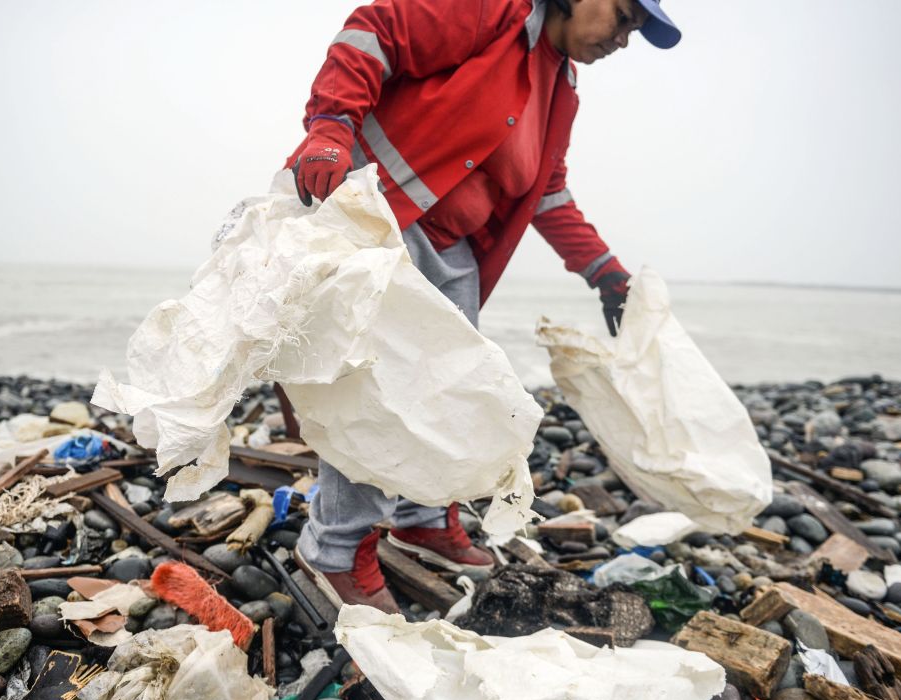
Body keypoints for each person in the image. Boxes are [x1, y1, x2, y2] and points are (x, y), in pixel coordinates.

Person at [285, 0, 681, 612]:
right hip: (380, 217)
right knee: (373, 396)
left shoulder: (562, 85)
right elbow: (374, 30)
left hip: (455, 250)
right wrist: (331, 125)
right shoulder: (496, 14)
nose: (624, 39)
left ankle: (420, 519)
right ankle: (334, 550)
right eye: (625, 16)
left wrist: (604, 272)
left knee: (451, 391)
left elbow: (547, 190)